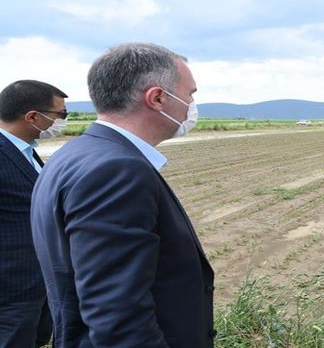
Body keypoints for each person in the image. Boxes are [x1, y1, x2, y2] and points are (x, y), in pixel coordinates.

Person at [31, 43, 215, 347]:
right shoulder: (117, 171)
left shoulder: (75, 154)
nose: (191, 104)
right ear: (157, 98)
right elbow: (118, 317)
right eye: (190, 94)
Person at [0, 80, 68, 347]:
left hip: (37, 283)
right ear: (32, 116)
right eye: (60, 115)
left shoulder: (26, 152)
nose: (62, 121)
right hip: (10, 290)